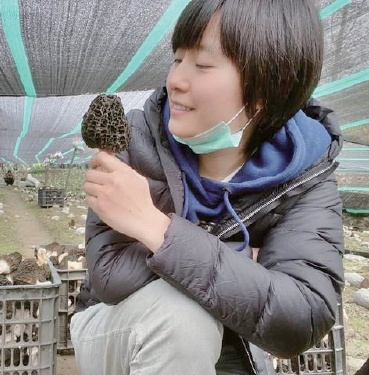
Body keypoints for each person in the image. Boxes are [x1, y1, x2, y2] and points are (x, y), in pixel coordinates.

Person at [71, 1, 345, 374]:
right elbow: (111, 277)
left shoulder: (306, 175)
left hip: (236, 343)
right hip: (116, 323)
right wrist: (246, 259)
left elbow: (301, 319)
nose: (176, 80)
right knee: (181, 319)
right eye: (178, 59)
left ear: (267, 85)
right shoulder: (135, 139)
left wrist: (155, 228)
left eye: (201, 65)